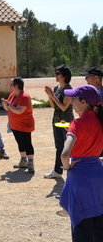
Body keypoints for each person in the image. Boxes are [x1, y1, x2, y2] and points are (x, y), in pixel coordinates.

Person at [60, 85, 103, 241]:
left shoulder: (77, 124)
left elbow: (64, 154)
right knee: (99, 225)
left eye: (74, 99)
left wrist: (67, 166)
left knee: (82, 228)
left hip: (81, 178)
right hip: (99, 174)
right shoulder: (100, 121)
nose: (72, 102)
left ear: (84, 102)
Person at [44, 65, 74, 179]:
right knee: (59, 146)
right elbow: (54, 106)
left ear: (64, 76)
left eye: (58, 74)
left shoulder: (69, 90)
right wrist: (50, 97)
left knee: (68, 147)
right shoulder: (57, 88)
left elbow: (64, 107)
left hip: (66, 121)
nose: (55, 76)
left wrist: (53, 96)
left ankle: (69, 171)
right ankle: (58, 171)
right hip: (56, 120)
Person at [1, 77, 35, 173]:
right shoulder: (12, 95)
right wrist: (5, 104)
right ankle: (23, 161)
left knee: (27, 143)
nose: (10, 86)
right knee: (20, 142)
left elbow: (19, 111)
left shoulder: (24, 96)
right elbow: (9, 109)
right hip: (15, 125)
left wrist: (8, 105)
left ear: (16, 86)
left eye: (11, 84)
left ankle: (31, 163)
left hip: (24, 124)